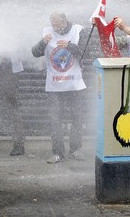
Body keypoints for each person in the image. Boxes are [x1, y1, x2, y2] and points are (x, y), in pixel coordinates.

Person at [32, 11, 86, 164]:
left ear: (65, 20)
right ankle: (58, 153)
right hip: (54, 85)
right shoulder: (47, 32)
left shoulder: (77, 30)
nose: (55, 27)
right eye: (52, 23)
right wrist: (43, 43)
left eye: (57, 23)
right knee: (55, 119)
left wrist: (70, 46)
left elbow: (84, 52)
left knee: (77, 117)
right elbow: (35, 53)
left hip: (74, 84)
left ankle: (75, 149)